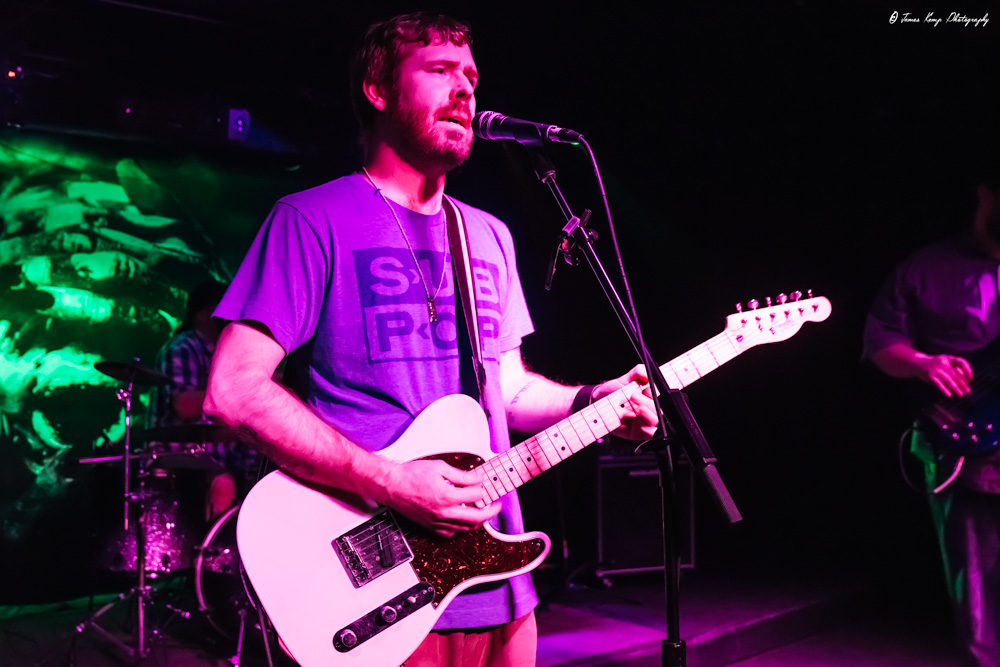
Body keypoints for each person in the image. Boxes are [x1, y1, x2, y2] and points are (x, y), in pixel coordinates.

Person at [203, 11, 657, 667]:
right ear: (378, 89)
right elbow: (233, 389)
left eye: (471, 75)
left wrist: (593, 400)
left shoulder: (488, 234)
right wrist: (390, 480)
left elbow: (506, 386)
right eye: (440, 71)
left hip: (499, 583)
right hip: (375, 583)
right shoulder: (311, 219)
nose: (465, 90)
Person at [863, 169, 1000, 667]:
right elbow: (879, 342)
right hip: (960, 439)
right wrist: (924, 364)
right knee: (977, 584)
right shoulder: (927, 267)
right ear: (985, 194)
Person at [149, 279, 258, 520]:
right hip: (177, 458)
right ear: (201, 315)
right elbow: (184, 405)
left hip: (218, 459)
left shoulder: (226, 353)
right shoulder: (184, 347)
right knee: (222, 484)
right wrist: (248, 388)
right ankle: (207, 555)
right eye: (225, 308)